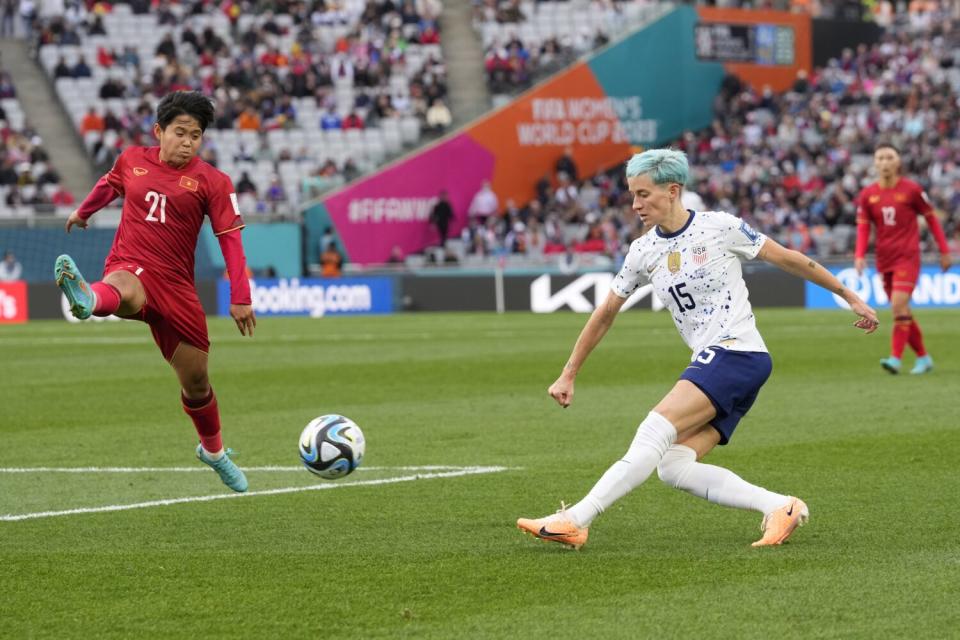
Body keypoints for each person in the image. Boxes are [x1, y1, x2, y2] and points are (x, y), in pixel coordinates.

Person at [517, 149, 879, 550]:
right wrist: (569, 372)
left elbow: (789, 259)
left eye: (643, 194)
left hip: (736, 353)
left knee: (653, 430)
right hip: (724, 362)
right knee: (672, 466)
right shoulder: (643, 251)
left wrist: (849, 296)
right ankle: (781, 507)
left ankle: (574, 520)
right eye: (632, 195)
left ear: (673, 191)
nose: (635, 204)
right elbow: (605, 312)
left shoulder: (719, 228)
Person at [54, 91, 255, 493]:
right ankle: (88, 299)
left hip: (178, 287)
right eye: (180, 132)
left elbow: (230, 241)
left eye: (195, 136)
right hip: (131, 263)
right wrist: (83, 211)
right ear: (159, 131)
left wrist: (241, 295)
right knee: (124, 287)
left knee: (197, 382)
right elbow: (109, 185)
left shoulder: (213, 182)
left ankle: (213, 452)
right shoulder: (131, 160)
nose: (187, 142)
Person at [854, 143, 951, 375]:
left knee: (898, 305)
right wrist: (858, 254)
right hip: (884, 259)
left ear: (898, 162)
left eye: (890, 157)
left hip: (907, 257)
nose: (885, 162)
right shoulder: (868, 195)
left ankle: (895, 359)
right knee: (902, 311)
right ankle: (924, 358)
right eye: (880, 158)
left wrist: (944, 250)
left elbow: (932, 220)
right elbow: (864, 228)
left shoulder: (912, 190)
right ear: (874, 163)